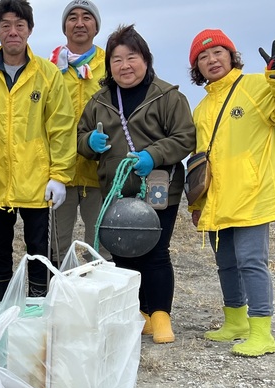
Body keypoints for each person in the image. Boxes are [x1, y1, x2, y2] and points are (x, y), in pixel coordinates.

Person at [187, 28, 275, 356]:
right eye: (203, 56)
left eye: (218, 52)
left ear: (231, 55)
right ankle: (236, 322)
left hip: (252, 193)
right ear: (196, 67)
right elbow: (200, 162)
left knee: (251, 262)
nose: (212, 60)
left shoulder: (257, 85)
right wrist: (197, 203)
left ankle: (262, 332)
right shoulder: (201, 109)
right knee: (225, 263)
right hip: (218, 199)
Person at [76, 25, 196, 344]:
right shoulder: (99, 101)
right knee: (123, 254)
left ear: (145, 60)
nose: (125, 65)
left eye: (132, 57)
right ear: (109, 66)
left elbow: (185, 137)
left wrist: (153, 155)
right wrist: (90, 142)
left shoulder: (168, 96)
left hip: (159, 185)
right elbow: (79, 139)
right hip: (116, 189)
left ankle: (160, 316)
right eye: (117, 59)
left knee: (156, 252)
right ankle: (137, 315)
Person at [0, 0, 75, 302]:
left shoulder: (48, 75)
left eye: (19, 25)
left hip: (37, 183)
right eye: (5, 25)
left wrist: (60, 175)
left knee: (39, 250)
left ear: (30, 29)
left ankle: (39, 309)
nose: (13, 32)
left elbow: (62, 128)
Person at [47, 0, 111, 265]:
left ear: (96, 26)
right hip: (60, 171)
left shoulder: (112, 64)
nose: (80, 23)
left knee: (103, 247)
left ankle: (102, 302)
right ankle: (61, 299)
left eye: (87, 17)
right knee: (57, 247)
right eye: (72, 18)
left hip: (101, 170)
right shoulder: (48, 68)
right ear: (65, 27)